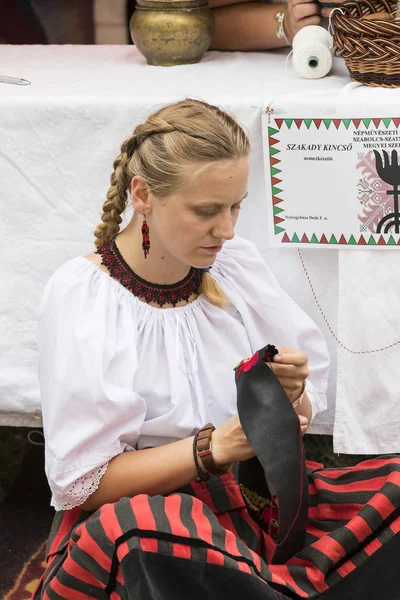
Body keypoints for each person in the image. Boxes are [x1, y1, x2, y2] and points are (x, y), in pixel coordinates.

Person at [34, 99, 400, 600]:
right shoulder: (84, 296)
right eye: (207, 211)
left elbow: (295, 412)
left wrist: (288, 398)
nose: (227, 230)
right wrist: (213, 449)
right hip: (152, 522)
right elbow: (85, 483)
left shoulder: (233, 267)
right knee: (152, 527)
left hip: (249, 498)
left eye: (236, 207)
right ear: (142, 194)